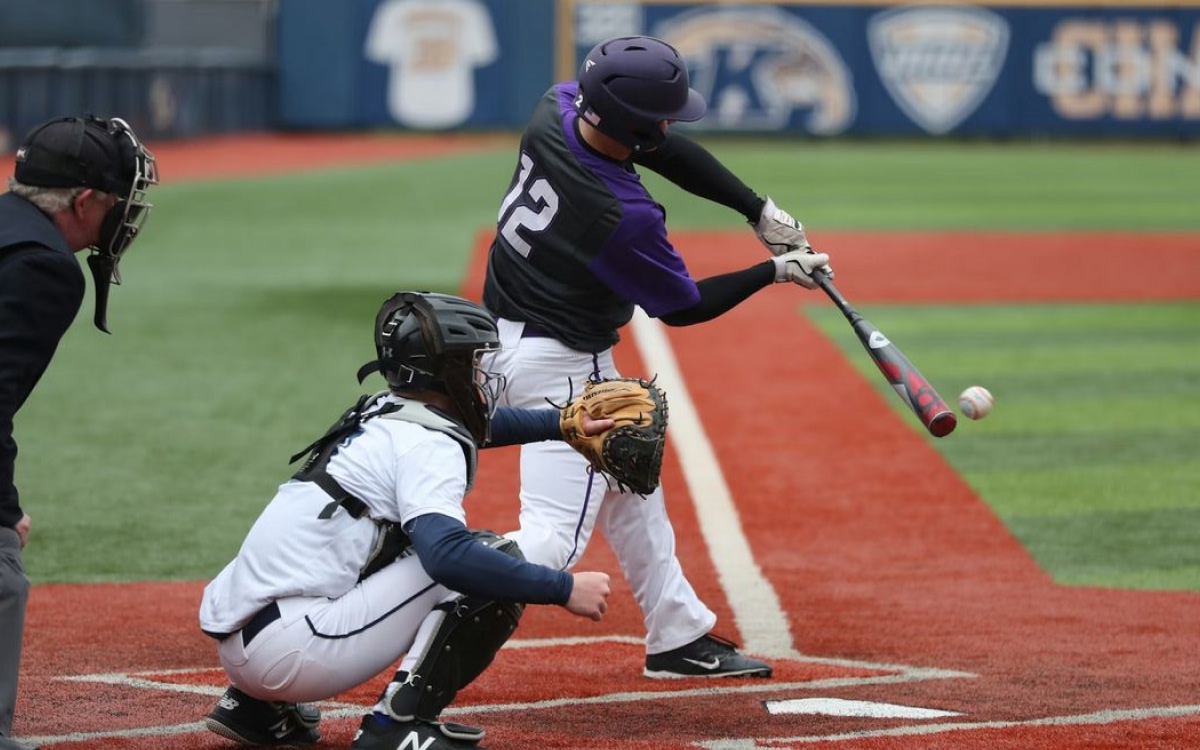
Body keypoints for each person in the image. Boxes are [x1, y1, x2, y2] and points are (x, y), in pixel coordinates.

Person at [481, 35, 833, 679]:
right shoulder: (623, 215)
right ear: (632, 125)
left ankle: (677, 633)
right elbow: (683, 306)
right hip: (563, 368)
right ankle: (418, 585)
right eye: (663, 114)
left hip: (499, 339)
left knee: (630, 481)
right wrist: (775, 270)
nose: (672, 123)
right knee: (550, 542)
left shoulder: (554, 110)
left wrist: (755, 209)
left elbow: (659, 145)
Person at [199, 291, 615, 750]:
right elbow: (447, 559)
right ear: (448, 372)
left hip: (247, 642)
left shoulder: (384, 410)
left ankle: (258, 711)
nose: (483, 374)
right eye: (474, 362)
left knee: (394, 541)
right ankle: (397, 724)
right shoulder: (427, 447)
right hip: (295, 652)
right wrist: (563, 589)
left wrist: (563, 425)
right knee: (484, 558)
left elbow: (480, 426)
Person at [0, 115, 157, 750]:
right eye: (120, 201)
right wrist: (4, 511)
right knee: (2, 576)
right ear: (86, 201)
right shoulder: (42, 266)